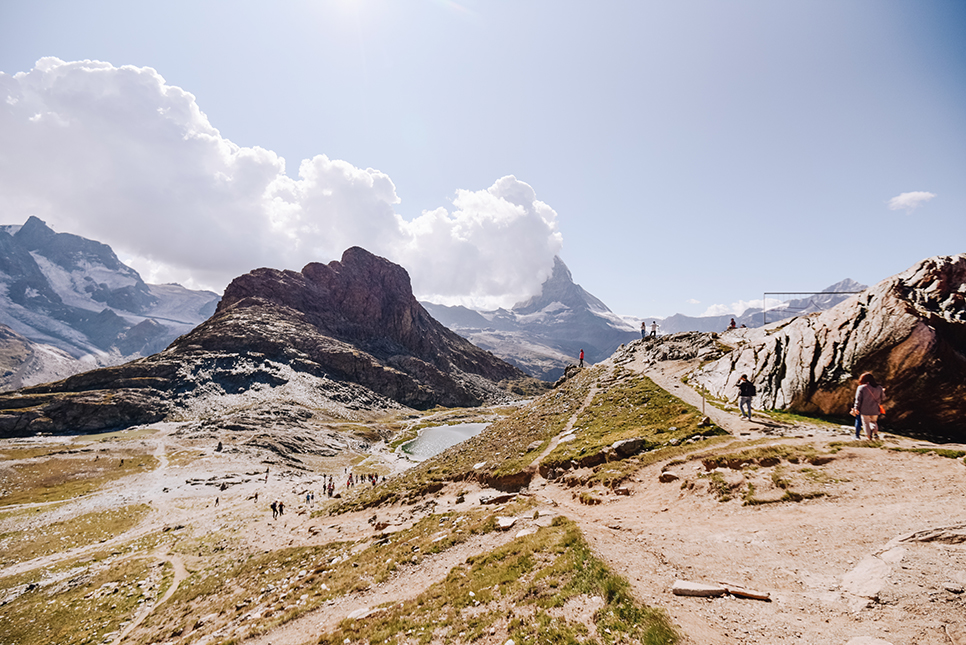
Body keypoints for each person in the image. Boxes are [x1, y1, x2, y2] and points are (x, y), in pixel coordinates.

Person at [852, 372, 885, 441]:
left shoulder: (861, 388)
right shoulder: (879, 388)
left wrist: (856, 408)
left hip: (865, 409)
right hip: (875, 409)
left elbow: (858, 399)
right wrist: (882, 391)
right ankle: (875, 433)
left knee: (866, 423)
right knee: (873, 422)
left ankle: (869, 437)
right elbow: (883, 398)